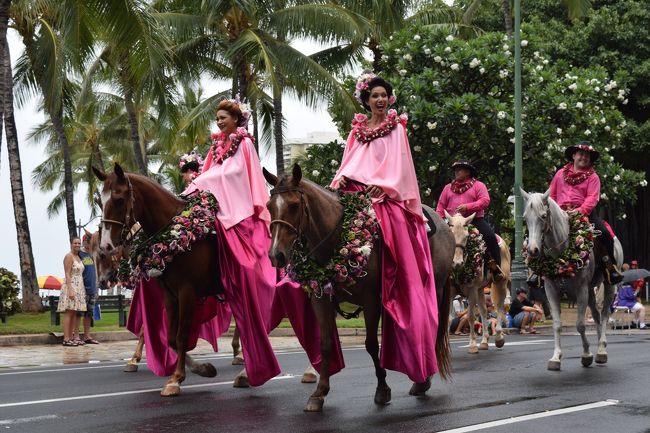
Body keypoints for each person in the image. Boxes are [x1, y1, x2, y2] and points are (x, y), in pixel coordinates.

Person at [331, 73, 439, 383]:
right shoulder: (356, 132)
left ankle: (405, 289)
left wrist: (383, 188)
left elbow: (400, 167)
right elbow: (347, 164)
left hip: (385, 196)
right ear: (365, 100)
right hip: (356, 194)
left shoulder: (396, 129)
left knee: (392, 231)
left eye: (383, 95)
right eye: (374, 95)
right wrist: (340, 180)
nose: (379, 99)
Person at [182, 98, 281, 386]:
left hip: (239, 214)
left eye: (224, 117)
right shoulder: (216, 147)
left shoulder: (245, 144)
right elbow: (208, 175)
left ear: (237, 120)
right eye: (218, 117)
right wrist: (201, 183)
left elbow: (240, 176)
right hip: (219, 211)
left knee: (248, 271)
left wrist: (209, 179)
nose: (219, 121)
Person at [549, 142, 622, 284]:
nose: (584, 157)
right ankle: (536, 274)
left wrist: (578, 211)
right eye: (581, 154)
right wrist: (557, 211)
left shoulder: (593, 177)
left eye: (587, 155)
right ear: (574, 155)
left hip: (585, 214)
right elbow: (552, 196)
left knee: (604, 234)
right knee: (536, 233)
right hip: (559, 214)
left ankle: (610, 268)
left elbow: (592, 198)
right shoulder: (559, 174)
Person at [436, 160, 504, 281]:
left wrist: (468, 207)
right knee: (434, 239)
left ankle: (495, 269)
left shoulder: (479, 185)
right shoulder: (447, 188)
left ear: (468, 172)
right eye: (455, 170)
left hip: (474, 221)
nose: (456, 171)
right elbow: (441, 206)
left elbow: (485, 200)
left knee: (489, 236)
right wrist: (438, 220)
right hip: (451, 222)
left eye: (459, 169)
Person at [58, 237, 87, 346]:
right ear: (71, 244)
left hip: (79, 286)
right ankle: (66, 339)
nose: (77, 245)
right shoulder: (69, 256)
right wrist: (70, 289)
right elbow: (67, 273)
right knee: (69, 312)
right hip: (71, 286)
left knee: (74, 312)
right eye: (75, 243)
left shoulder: (78, 257)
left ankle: (71, 337)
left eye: (79, 243)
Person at [74, 233, 100, 345]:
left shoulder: (94, 255)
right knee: (79, 313)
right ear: (85, 242)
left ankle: (87, 335)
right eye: (88, 242)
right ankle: (76, 336)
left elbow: (96, 272)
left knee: (89, 313)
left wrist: (97, 288)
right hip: (82, 288)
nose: (90, 245)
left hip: (93, 288)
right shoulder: (80, 254)